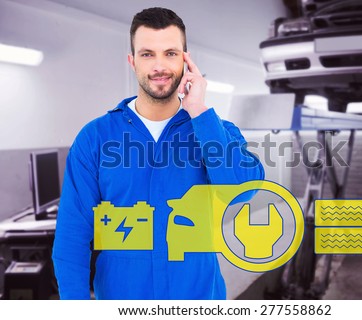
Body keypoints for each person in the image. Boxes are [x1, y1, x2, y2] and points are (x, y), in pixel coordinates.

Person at [52, 7, 265, 299]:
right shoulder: (96, 137)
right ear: (132, 61)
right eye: (147, 54)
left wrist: (200, 112)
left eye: (171, 53)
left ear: (187, 61)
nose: (160, 65)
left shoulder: (216, 130)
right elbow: (72, 237)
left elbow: (241, 191)